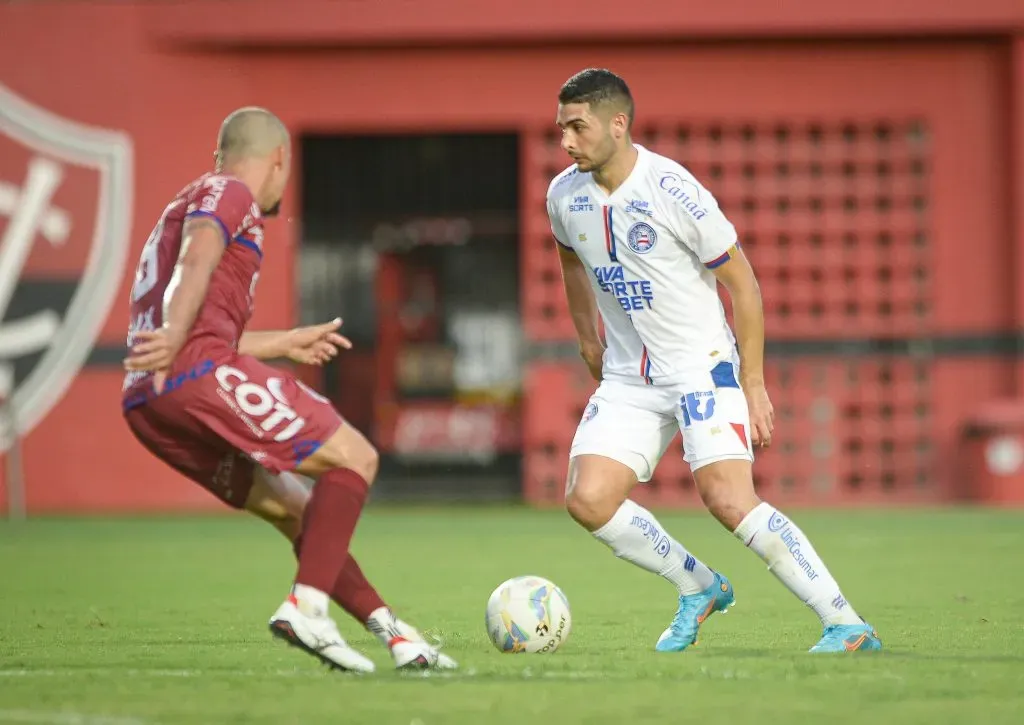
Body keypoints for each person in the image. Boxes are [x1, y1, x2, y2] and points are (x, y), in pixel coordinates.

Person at [545, 69, 882, 654]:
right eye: (561, 128)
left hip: (701, 368)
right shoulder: (563, 195)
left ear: (618, 125)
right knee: (588, 499)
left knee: (728, 500)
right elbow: (571, 262)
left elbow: (743, 285)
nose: (566, 141)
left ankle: (846, 623)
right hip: (628, 376)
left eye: (578, 127)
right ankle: (698, 586)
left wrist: (753, 382)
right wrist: (587, 339)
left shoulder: (672, 190)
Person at [121, 107, 456, 673]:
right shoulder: (231, 192)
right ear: (280, 159)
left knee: (299, 513)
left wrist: (283, 342)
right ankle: (307, 608)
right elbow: (196, 261)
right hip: (192, 372)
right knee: (355, 456)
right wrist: (176, 333)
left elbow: (201, 321)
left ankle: (398, 637)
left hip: (147, 401)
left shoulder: (186, 201)